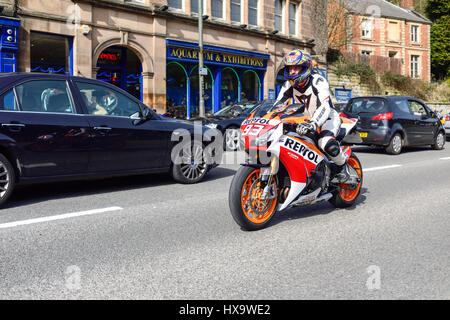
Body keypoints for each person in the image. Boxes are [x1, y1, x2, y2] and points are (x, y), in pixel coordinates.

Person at [274, 49, 350, 182]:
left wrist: (313, 123)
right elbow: (277, 106)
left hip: (327, 118)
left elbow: (325, 106)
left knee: (325, 143)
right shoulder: (288, 85)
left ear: (305, 68)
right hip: (303, 121)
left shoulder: (318, 81)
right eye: (290, 68)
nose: (292, 72)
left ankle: (343, 168)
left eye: (296, 68)